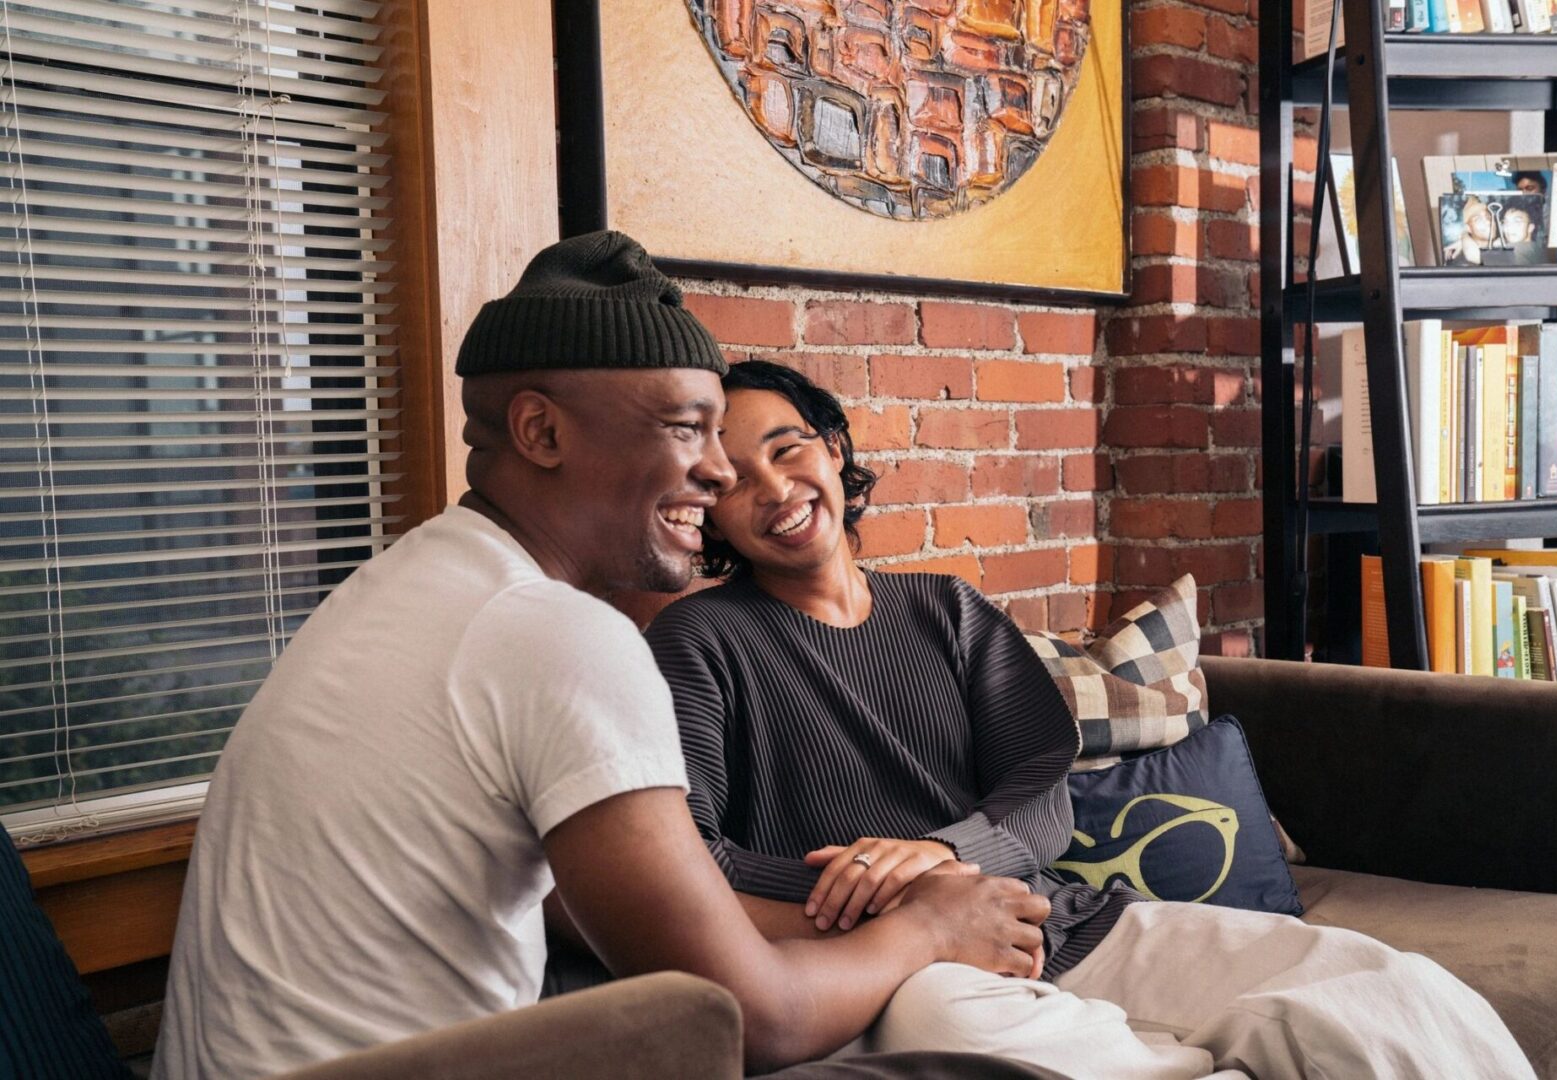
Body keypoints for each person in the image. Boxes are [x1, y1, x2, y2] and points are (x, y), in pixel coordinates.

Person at [151, 233, 1061, 1080]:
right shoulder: (552, 633)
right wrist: (929, 927)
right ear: (542, 433)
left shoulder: (408, 584)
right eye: (686, 428)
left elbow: (591, 904)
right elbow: (754, 1019)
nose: (718, 470)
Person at [645, 359, 1537, 1080]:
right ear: (709, 506)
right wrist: (898, 900)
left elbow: (1043, 796)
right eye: (733, 478)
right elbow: (689, 861)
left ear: (836, 450)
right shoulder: (699, 638)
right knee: (952, 1023)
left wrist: (950, 857)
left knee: (1380, 977)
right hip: (891, 973)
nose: (773, 487)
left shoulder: (947, 612)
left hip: (1062, 922)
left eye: (789, 447)